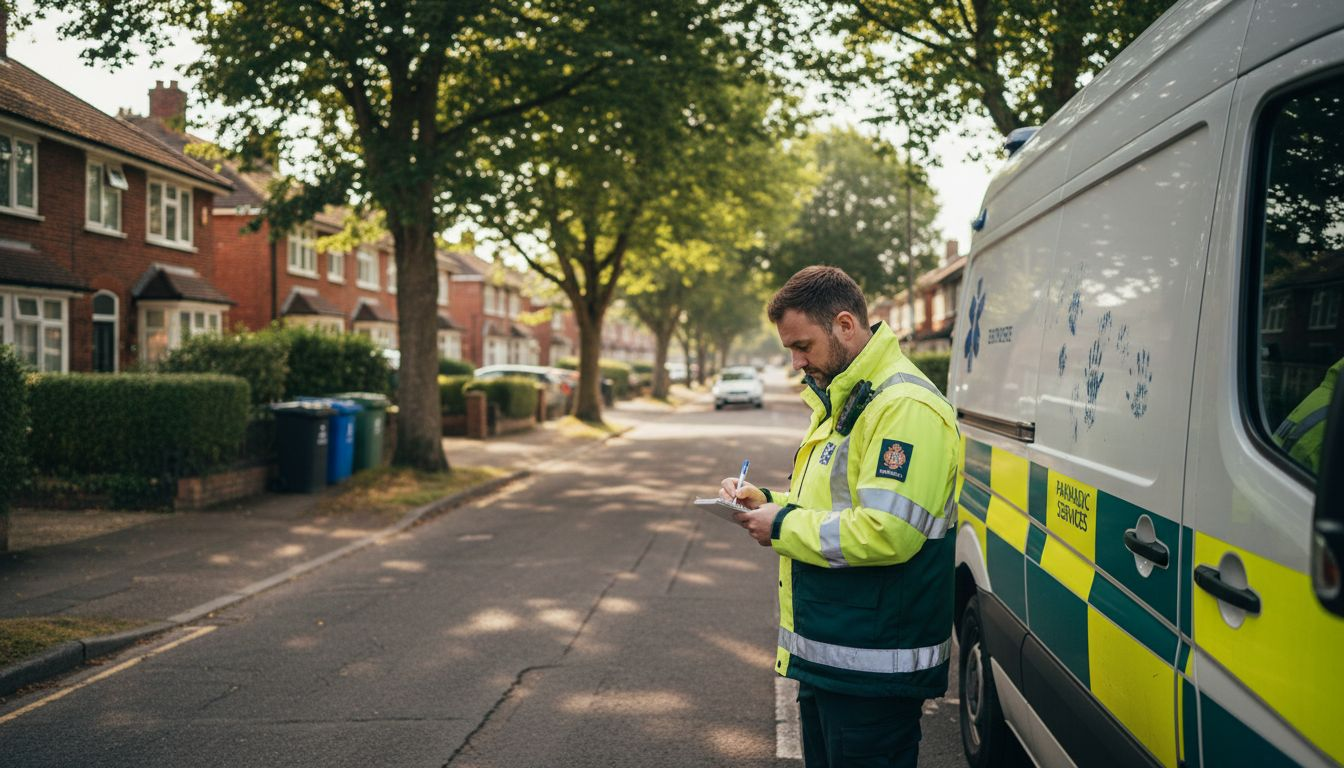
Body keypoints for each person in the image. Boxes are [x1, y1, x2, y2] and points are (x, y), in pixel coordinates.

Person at [720, 266, 958, 768]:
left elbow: (888, 531)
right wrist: (765, 499)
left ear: (845, 325)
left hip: (873, 670)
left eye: (802, 346)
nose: (795, 361)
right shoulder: (850, 397)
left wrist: (779, 527)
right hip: (837, 657)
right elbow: (834, 506)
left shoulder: (904, 408)